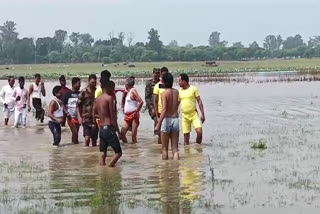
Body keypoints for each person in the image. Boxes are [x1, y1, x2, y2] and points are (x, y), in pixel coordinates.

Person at [93, 79, 122, 167]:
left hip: (101, 128)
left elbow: (94, 115)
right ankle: (110, 168)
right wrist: (119, 132)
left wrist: (102, 117)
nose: (113, 90)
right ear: (108, 87)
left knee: (103, 153)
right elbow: (113, 118)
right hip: (109, 128)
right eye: (112, 88)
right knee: (118, 153)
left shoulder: (97, 99)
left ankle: (103, 172)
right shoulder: (109, 98)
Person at [155, 73, 180, 160]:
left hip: (166, 120)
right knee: (175, 149)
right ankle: (176, 169)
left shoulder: (164, 94)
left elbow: (164, 109)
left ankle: (166, 171)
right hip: (175, 119)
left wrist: (158, 124)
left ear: (164, 82)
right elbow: (177, 104)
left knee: (164, 149)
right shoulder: (177, 92)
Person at [178, 73, 205, 144]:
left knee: (199, 132)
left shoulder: (193, 89)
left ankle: (198, 148)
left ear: (184, 81)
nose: (178, 83)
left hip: (194, 114)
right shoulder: (179, 91)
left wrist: (202, 114)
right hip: (184, 116)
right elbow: (177, 104)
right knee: (186, 138)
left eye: (179, 81)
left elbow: (199, 101)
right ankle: (187, 153)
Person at [120, 77, 143, 144]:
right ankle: (128, 148)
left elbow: (141, 102)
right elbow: (122, 90)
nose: (124, 85)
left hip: (134, 115)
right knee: (122, 134)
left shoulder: (133, 91)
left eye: (125, 84)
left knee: (133, 136)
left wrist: (136, 112)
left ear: (127, 84)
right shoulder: (128, 91)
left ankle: (135, 153)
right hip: (127, 115)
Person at [77, 74, 98, 147]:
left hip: (95, 118)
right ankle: (86, 153)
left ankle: (92, 156)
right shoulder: (83, 92)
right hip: (86, 118)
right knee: (87, 139)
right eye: (92, 82)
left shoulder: (97, 91)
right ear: (88, 82)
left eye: (95, 82)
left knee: (94, 140)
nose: (94, 84)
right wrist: (79, 117)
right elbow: (77, 105)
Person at [153, 67, 169, 144]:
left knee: (167, 133)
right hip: (160, 112)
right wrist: (156, 115)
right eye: (163, 75)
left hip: (168, 113)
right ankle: (161, 148)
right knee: (160, 133)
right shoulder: (158, 86)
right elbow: (155, 101)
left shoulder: (169, 85)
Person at [63, 77, 81, 144]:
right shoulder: (67, 93)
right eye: (78, 84)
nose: (80, 85)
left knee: (75, 135)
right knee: (75, 133)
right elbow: (63, 105)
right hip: (71, 117)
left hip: (78, 117)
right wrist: (66, 113)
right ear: (73, 84)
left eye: (80, 84)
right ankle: (75, 146)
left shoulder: (80, 94)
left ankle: (73, 147)